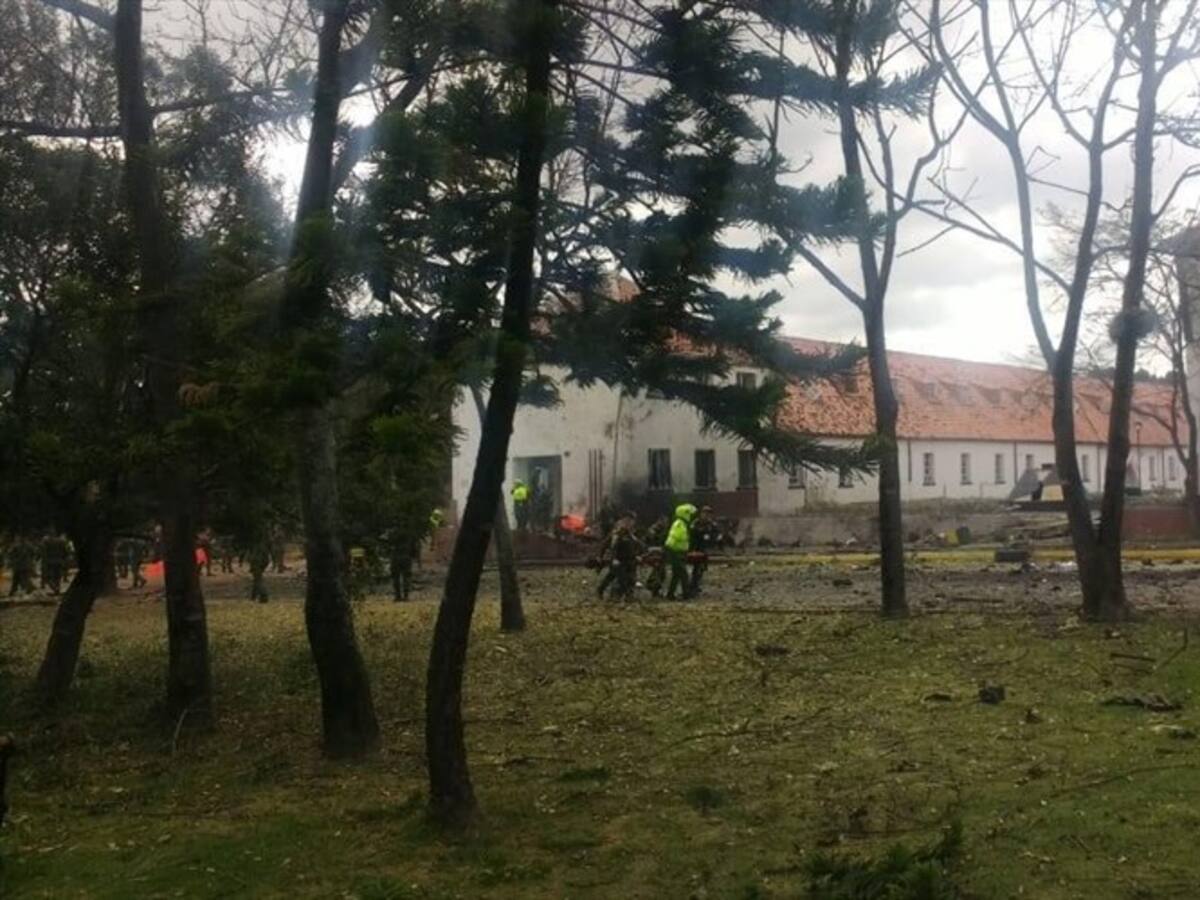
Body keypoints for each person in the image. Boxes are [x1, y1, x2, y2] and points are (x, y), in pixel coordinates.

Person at [597, 513, 641, 601]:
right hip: (617, 560)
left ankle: (601, 589)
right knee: (622, 578)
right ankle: (626, 596)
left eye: (631, 521)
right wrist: (612, 559)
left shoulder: (631, 534)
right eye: (627, 521)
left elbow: (635, 546)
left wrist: (637, 556)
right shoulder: (616, 534)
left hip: (627, 560)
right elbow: (610, 546)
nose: (629, 523)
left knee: (612, 576)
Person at [664, 504, 697, 601]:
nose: (691, 516)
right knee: (683, 574)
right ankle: (686, 595)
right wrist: (672, 553)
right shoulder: (679, 525)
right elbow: (672, 540)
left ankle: (670, 595)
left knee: (676, 575)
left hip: (679, 553)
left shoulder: (682, 524)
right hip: (675, 553)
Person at [688, 506, 716, 598]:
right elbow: (693, 533)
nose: (707, 515)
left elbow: (714, 534)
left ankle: (696, 586)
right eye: (705, 513)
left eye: (708, 514)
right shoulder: (696, 523)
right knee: (696, 569)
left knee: (701, 569)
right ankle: (692, 587)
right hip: (695, 549)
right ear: (701, 514)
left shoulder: (710, 524)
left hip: (704, 549)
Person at [642, 515, 669, 596]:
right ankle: (653, 589)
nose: (665, 523)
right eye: (664, 521)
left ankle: (654, 588)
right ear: (659, 521)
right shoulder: (653, 530)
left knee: (661, 573)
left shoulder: (662, 530)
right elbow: (650, 542)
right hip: (653, 552)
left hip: (659, 553)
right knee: (658, 572)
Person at [249, 539, 270, 603]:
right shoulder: (263, 547)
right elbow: (266, 560)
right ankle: (253, 596)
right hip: (258, 565)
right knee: (256, 581)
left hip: (257, 565)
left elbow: (253, 558)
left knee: (258, 581)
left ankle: (263, 596)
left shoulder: (257, 548)